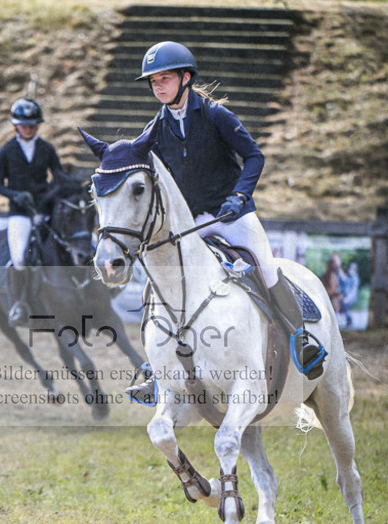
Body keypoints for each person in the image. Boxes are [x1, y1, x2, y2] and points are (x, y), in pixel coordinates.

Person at [135, 41, 325, 379]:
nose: (158, 86)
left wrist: (239, 196)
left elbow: (255, 156)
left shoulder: (214, 114)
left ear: (186, 77)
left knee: (266, 268)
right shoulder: (156, 127)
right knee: (158, 279)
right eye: (153, 81)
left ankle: (301, 339)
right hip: (192, 224)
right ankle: (153, 365)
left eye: (164, 78)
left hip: (232, 215)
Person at [0, 97, 70, 325]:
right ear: (16, 125)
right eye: (24, 124)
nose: (28, 128)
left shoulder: (47, 149)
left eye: (32, 124)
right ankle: (19, 303)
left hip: (44, 209)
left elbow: (58, 176)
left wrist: (71, 184)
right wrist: (14, 195)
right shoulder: (7, 151)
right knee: (19, 259)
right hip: (20, 212)